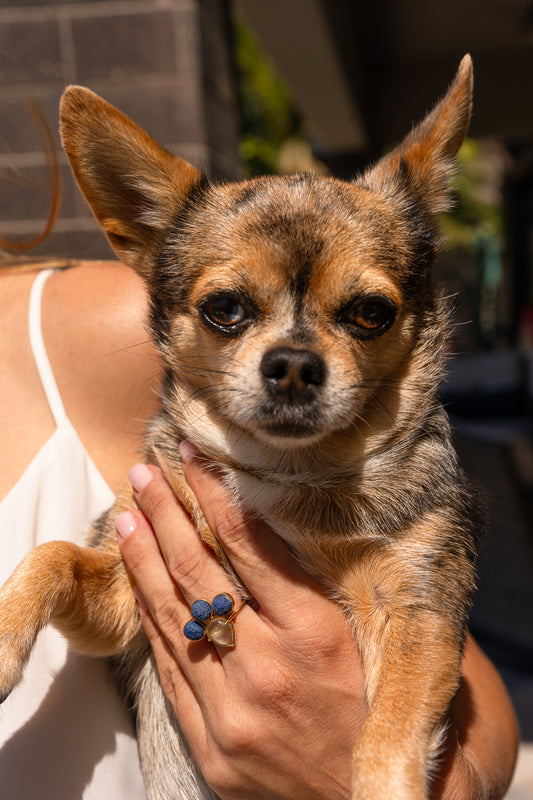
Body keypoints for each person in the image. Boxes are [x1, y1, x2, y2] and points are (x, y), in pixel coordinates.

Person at [0, 260, 519, 799]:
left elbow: (438, 646)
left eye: (366, 313)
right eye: (227, 311)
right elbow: (110, 616)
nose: (294, 361)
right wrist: (39, 585)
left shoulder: (101, 322)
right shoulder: (176, 448)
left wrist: (376, 777)